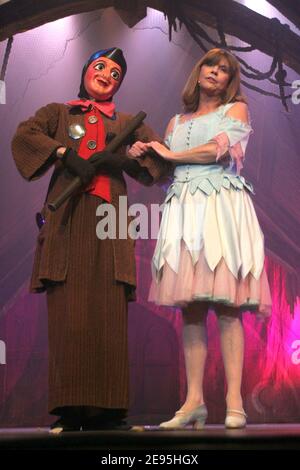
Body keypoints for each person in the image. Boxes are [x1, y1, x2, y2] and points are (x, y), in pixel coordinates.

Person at [11, 47, 170, 432]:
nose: (106, 75)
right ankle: (70, 411)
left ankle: (110, 413)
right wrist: (65, 153)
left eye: (115, 73)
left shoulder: (130, 123)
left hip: (110, 221)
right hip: (68, 219)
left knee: (108, 312)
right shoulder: (60, 113)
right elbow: (24, 136)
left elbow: (160, 163)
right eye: (100, 67)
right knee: (69, 313)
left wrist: (126, 162)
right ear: (86, 70)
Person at [128, 48, 272, 429]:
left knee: (227, 305)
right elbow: (163, 170)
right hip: (183, 207)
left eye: (224, 69)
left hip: (221, 206)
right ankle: (194, 402)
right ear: (199, 71)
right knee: (191, 307)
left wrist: (169, 154)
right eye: (211, 65)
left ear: (230, 80)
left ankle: (234, 402)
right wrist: (142, 153)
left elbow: (214, 151)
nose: (216, 72)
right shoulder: (176, 121)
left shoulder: (235, 110)